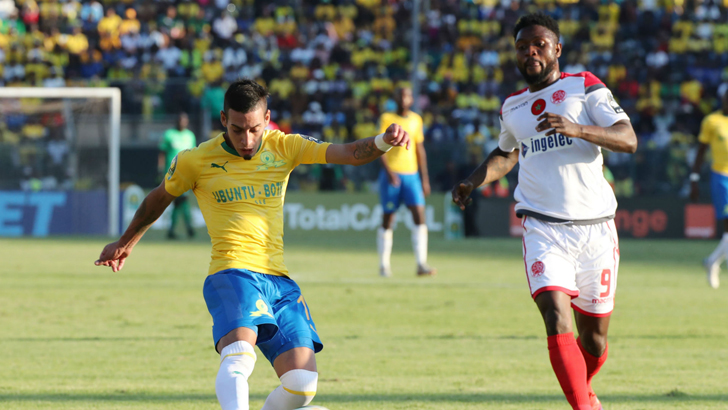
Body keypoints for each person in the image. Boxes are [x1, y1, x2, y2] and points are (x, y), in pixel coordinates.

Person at [95, 79, 409, 410]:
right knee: (239, 358)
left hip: (279, 282)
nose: (247, 139)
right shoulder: (195, 160)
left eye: (255, 129)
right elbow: (157, 199)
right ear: (222, 120)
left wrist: (382, 142)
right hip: (232, 274)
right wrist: (126, 241)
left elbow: (348, 153)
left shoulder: (285, 146)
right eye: (237, 129)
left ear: (268, 118)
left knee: (302, 386)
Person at [452, 13, 636, 410]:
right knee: (555, 315)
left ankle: (583, 391)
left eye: (538, 44)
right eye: (522, 46)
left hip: (597, 231)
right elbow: (506, 154)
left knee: (594, 339)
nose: (530, 51)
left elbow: (628, 138)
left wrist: (579, 129)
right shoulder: (513, 106)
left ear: (557, 49)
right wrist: (473, 180)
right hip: (543, 228)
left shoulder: (584, 87)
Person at [377, 86, 436, 278]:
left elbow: (420, 150)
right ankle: (384, 265)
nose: (404, 98)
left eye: (408, 95)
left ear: (411, 99)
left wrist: (424, 178)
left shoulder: (416, 120)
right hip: (392, 175)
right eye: (401, 95)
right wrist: (388, 172)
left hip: (412, 176)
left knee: (419, 216)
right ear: (395, 97)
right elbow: (379, 148)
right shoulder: (386, 118)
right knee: (388, 218)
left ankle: (421, 264)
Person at [690, 89, 728, 289]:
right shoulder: (712, 121)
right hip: (722, 177)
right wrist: (694, 178)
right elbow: (701, 151)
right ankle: (713, 262)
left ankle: (712, 261)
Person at [158, 112, 197, 239]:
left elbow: (193, 155)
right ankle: (188, 228)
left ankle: (173, 230)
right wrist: (160, 169)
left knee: (179, 202)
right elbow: (162, 153)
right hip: (171, 174)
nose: (182, 122)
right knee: (180, 201)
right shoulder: (169, 134)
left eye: (184, 120)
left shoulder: (190, 136)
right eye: (180, 120)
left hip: (185, 173)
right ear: (177, 121)